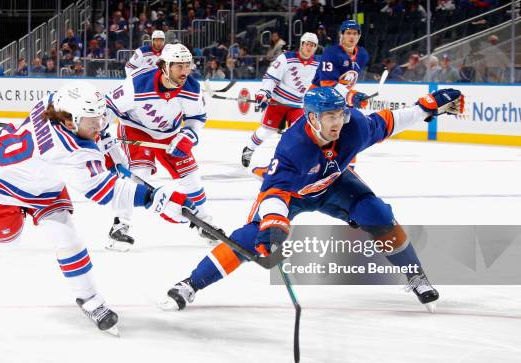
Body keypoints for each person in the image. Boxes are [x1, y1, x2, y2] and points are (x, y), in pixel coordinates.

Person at [162, 86, 465, 312]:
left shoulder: (354, 126)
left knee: (379, 216)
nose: (337, 122)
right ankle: (191, 284)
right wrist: (274, 223)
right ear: (311, 117)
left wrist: (427, 106)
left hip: (334, 184)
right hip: (292, 196)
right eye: (329, 116)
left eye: (340, 113)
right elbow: (274, 192)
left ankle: (416, 276)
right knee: (249, 238)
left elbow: (389, 121)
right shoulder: (293, 147)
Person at [0, 81, 193, 334]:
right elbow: (109, 193)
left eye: (99, 117)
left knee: (68, 238)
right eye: (91, 121)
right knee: (8, 242)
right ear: (71, 121)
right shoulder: (69, 151)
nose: (98, 125)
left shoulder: (55, 103)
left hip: (43, 185)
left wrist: (113, 154)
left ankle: (89, 299)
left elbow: (101, 129)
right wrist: (156, 198)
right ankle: (15, 217)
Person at [103, 44, 217, 251]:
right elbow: (108, 107)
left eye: (187, 66)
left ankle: (204, 221)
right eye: (179, 67)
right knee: (139, 174)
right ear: (164, 66)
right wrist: (101, 135)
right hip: (135, 129)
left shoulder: (191, 88)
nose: (184, 72)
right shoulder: (137, 83)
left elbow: (197, 117)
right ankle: (120, 226)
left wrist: (187, 137)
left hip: (169, 133)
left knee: (191, 176)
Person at [241, 32, 319, 168]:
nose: (309, 47)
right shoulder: (286, 58)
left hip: (298, 105)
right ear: (302, 44)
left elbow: (323, 82)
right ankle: (249, 149)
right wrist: (264, 92)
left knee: (301, 131)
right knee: (267, 131)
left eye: (312, 45)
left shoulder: (318, 63)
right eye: (307, 44)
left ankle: (293, 161)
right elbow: (271, 77)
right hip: (278, 101)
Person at [311, 20, 370, 108]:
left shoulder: (363, 54)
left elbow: (350, 81)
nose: (352, 36)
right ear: (341, 35)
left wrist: (355, 97)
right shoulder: (331, 53)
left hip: (341, 100)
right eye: (348, 33)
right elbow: (327, 84)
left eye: (355, 33)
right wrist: (350, 95)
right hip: (319, 98)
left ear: (359, 36)